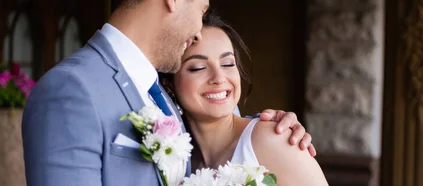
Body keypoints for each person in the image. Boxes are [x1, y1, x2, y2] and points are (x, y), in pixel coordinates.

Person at [21, 0, 315, 186]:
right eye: (201, 10)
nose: (198, 31)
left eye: (228, 63)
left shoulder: (161, 98)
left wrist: (268, 130)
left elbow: (225, 128)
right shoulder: (71, 89)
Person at [160, 13, 329, 185]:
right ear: (169, 85)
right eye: (198, 68)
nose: (219, 78)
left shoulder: (270, 139)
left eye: (227, 64)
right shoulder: (176, 162)